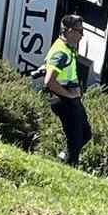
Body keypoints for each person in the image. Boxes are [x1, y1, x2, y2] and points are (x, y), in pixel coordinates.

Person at [44, 14, 91, 166]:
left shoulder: (67, 47)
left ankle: (63, 157)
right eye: (79, 31)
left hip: (71, 99)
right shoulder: (61, 52)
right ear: (69, 31)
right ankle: (68, 166)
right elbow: (49, 82)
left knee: (85, 134)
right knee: (75, 140)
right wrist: (69, 95)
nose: (82, 35)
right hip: (64, 101)